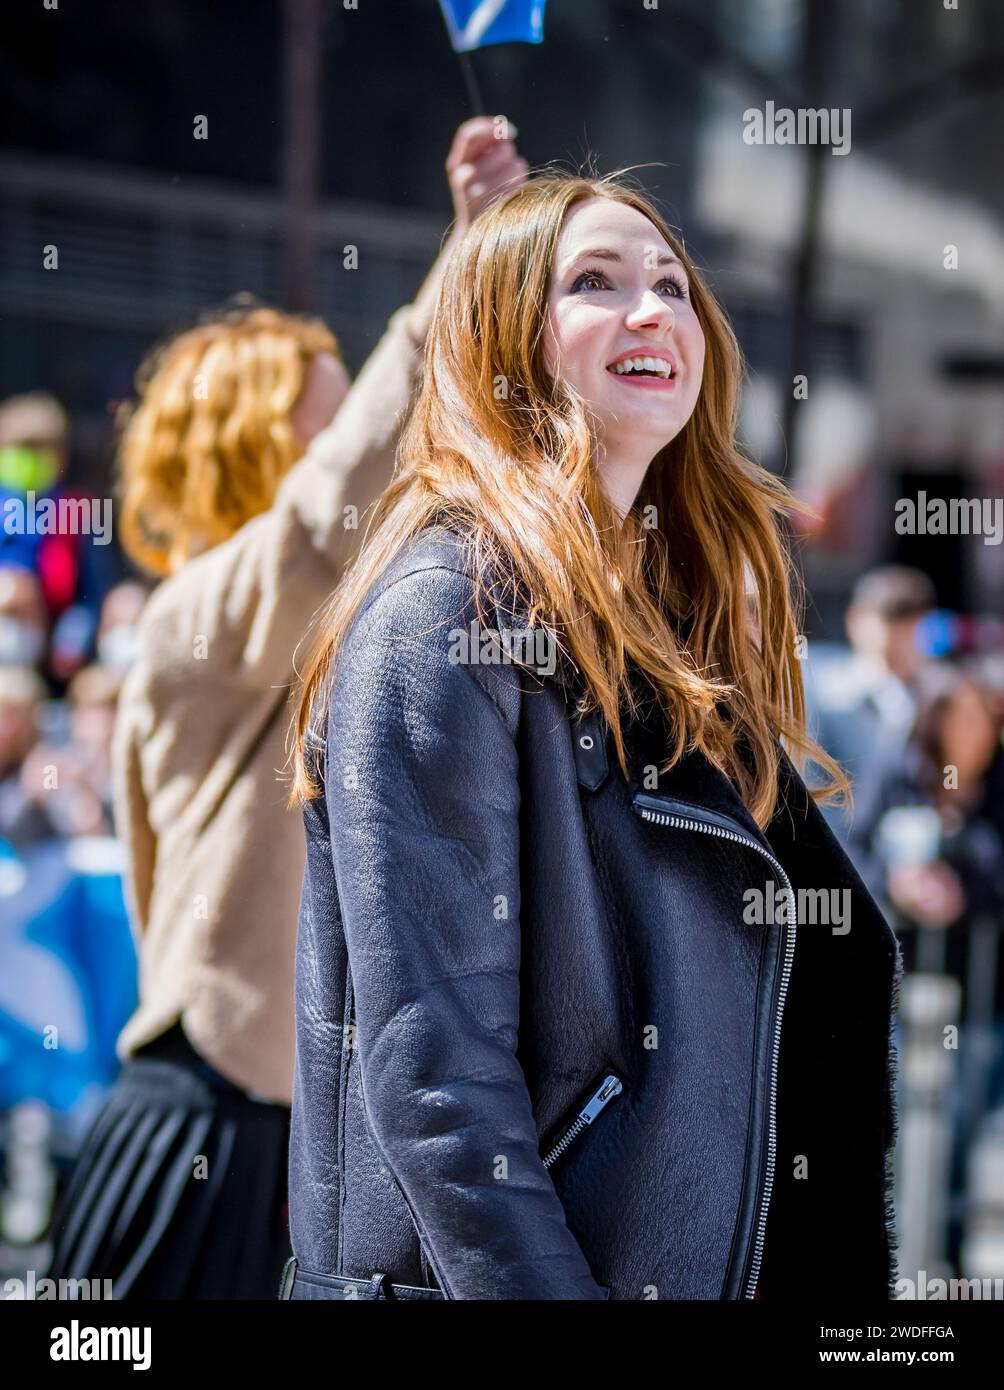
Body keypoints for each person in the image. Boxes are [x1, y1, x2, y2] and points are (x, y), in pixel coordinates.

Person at [282, 172, 903, 1301]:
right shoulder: (445, 614)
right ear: (506, 339)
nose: (653, 311)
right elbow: (438, 1078)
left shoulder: (674, 628)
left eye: (670, 284)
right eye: (595, 284)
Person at [44, 117, 527, 1300]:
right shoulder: (190, 617)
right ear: (256, 452)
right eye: (330, 417)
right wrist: (460, 272)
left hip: (307, 1130)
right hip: (211, 1125)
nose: (374, 440)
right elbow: (324, 519)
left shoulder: (320, 611)